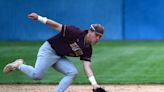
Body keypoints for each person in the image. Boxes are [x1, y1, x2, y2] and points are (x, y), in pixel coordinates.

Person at [3, 12, 104, 92]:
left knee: (72, 72)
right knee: (37, 75)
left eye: (100, 36)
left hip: (59, 56)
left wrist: (94, 84)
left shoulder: (88, 49)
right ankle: (19, 65)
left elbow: (87, 67)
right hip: (49, 50)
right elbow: (56, 26)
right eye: (96, 35)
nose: (98, 38)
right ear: (90, 31)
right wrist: (39, 18)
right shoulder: (75, 32)